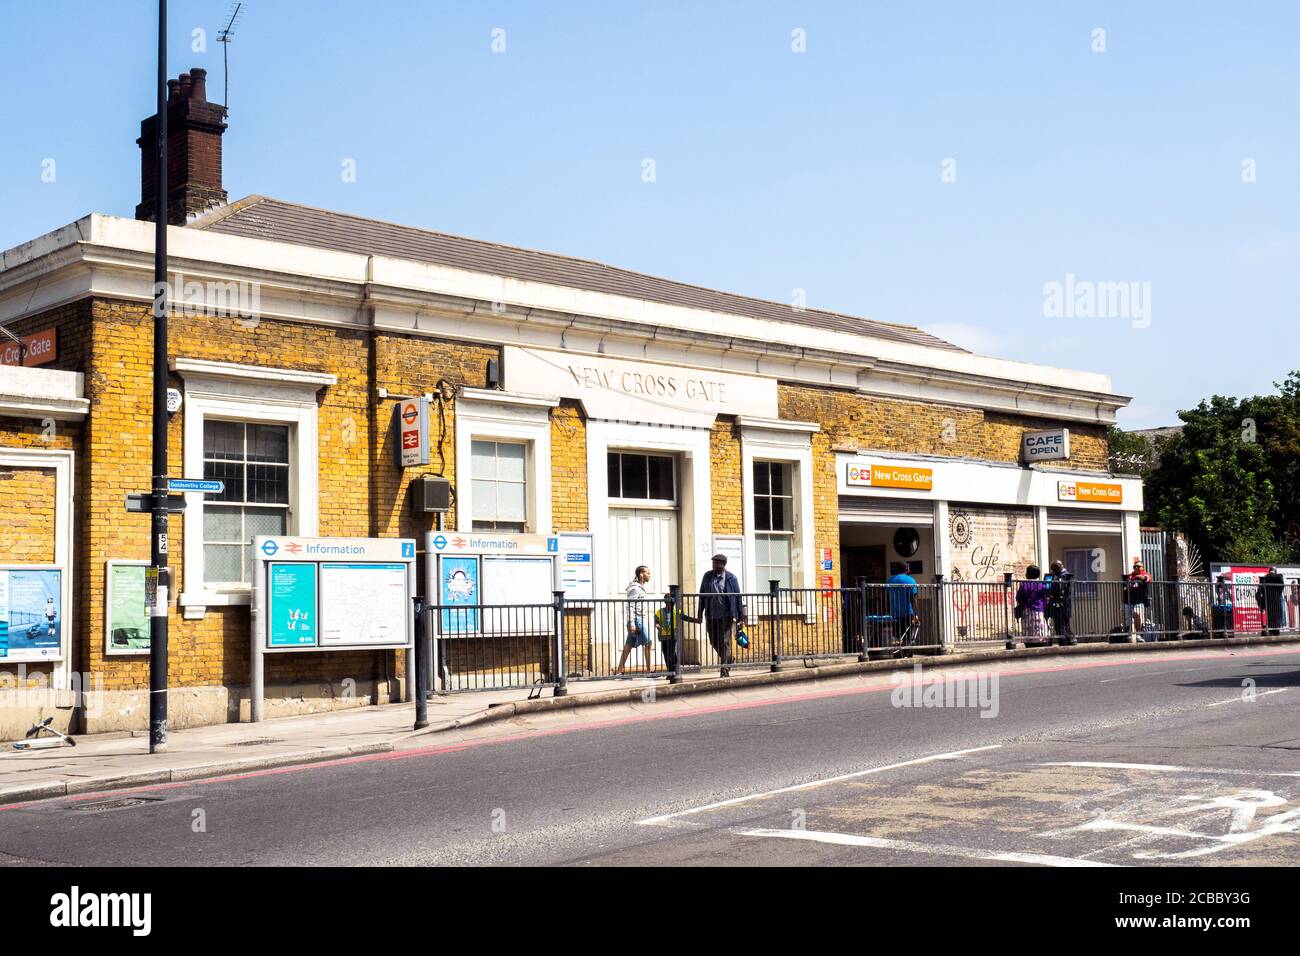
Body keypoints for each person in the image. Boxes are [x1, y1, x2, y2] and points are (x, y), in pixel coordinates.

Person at [697, 554, 745, 677]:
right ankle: (728, 659)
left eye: (717, 563)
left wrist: (741, 617)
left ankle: (724, 670)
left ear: (723, 564)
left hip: (726, 615)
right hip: (711, 615)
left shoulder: (731, 578)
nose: (714, 565)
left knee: (725, 642)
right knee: (713, 641)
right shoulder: (707, 576)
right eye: (713, 563)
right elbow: (702, 596)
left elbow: (738, 597)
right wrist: (700, 614)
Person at [614, 565, 653, 675]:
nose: (650, 575)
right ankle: (649, 672)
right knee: (648, 643)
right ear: (641, 574)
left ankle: (618, 672)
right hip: (636, 620)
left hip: (637, 619)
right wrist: (631, 623)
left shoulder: (639, 587)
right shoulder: (635, 588)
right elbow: (630, 606)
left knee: (628, 646)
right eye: (648, 573)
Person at [653, 591, 696, 675]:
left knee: (672, 652)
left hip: (673, 636)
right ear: (665, 602)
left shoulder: (677, 611)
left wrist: (695, 620)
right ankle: (670, 671)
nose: (671, 605)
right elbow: (656, 621)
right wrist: (658, 625)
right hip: (664, 636)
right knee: (665, 653)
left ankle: (675, 669)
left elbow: (685, 617)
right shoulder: (660, 612)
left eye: (672, 603)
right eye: (669, 603)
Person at [885, 562, 919, 653]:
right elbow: (913, 598)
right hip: (907, 612)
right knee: (908, 634)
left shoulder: (890, 580)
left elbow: (887, 597)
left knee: (896, 634)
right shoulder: (911, 580)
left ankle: (896, 652)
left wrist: (887, 611)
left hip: (894, 612)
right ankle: (906, 653)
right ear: (907, 569)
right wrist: (916, 614)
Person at [1015, 565, 1050, 646]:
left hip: (1026, 610)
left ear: (1028, 574)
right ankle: (1040, 642)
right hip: (1038, 610)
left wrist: (1023, 603)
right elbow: (1044, 599)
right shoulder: (1041, 585)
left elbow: (1019, 598)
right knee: (1039, 628)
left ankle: (1028, 643)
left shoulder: (1023, 584)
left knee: (1027, 628)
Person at [1043, 560, 1076, 646]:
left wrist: (1051, 591)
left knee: (1059, 625)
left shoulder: (1062, 576)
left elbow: (1060, 590)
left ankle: (1063, 643)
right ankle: (1070, 641)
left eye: (1053, 570)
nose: (1053, 572)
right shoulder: (1066, 575)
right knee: (1065, 624)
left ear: (1058, 567)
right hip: (1065, 604)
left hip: (1060, 604)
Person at [1122, 558, 1151, 639]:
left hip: (1139, 600)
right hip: (1128, 600)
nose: (1136, 568)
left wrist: (1141, 578)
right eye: (1134, 567)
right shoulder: (1130, 576)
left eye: (1138, 566)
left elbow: (1147, 578)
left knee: (1136, 614)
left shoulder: (1145, 574)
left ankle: (1138, 634)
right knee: (1127, 618)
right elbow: (1126, 586)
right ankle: (1129, 634)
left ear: (1142, 567)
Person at [1257, 567, 1286, 636]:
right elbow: (1282, 585)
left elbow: (1261, 592)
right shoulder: (1279, 577)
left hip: (1268, 602)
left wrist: (1261, 605)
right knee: (1276, 620)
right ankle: (1276, 634)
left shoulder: (1264, 578)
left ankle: (1271, 634)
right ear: (1275, 571)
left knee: (1270, 619)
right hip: (1276, 602)